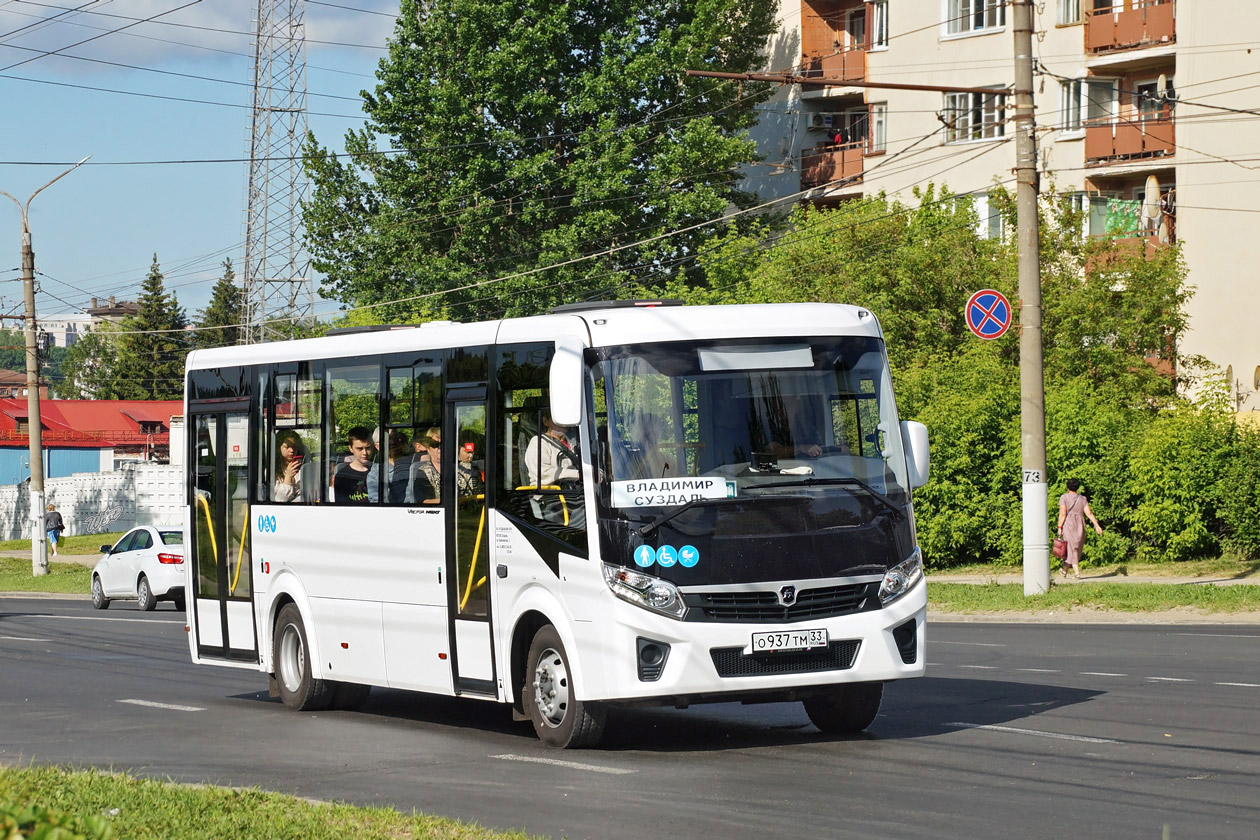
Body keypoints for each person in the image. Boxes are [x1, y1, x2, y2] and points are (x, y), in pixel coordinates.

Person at [524, 411, 584, 528]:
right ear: (545, 421)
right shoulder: (538, 442)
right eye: (557, 418)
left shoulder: (570, 444)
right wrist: (576, 474)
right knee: (587, 507)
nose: (562, 422)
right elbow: (542, 472)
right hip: (549, 496)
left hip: (571, 493)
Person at [1057, 478, 1103, 579]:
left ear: (1067, 487)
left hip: (1069, 524)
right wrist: (1096, 525)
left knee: (1072, 548)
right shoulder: (1083, 499)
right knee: (1075, 547)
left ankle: (1077, 573)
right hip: (1080, 525)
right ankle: (1064, 571)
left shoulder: (1064, 497)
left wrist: (1059, 527)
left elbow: (1063, 513)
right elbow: (1089, 513)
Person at [368, 429, 412, 503]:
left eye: (395, 438)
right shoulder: (376, 473)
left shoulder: (412, 464)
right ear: (377, 446)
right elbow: (377, 502)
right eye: (387, 440)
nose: (392, 442)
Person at [332, 426, 374, 504]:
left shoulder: (377, 471)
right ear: (351, 448)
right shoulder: (342, 476)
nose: (364, 453)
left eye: (368, 448)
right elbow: (341, 508)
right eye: (359, 449)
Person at [272, 430, 314, 503]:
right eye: (287, 447)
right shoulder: (272, 470)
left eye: (294, 447)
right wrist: (288, 477)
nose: (291, 450)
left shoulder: (304, 466)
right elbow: (279, 500)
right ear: (279, 448)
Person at [408, 428, 443, 503]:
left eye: (443, 444)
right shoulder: (422, 472)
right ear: (428, 448)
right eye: (435, 444)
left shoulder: (457, 469)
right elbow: (425, 501)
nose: (440, 448)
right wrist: (451, 501)